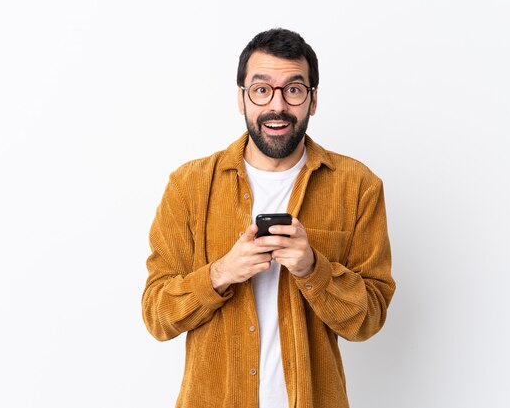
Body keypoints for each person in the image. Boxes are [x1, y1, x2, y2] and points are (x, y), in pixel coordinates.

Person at [142, 28, 396, 408]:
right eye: (261, 90)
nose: (276, 105)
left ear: (312, 100)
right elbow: (157, 316)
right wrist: (221, 273)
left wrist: (314, 269)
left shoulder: (359, 186)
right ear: (242, 99)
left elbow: (369, 319)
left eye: (293, 89)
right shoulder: (189, 186)